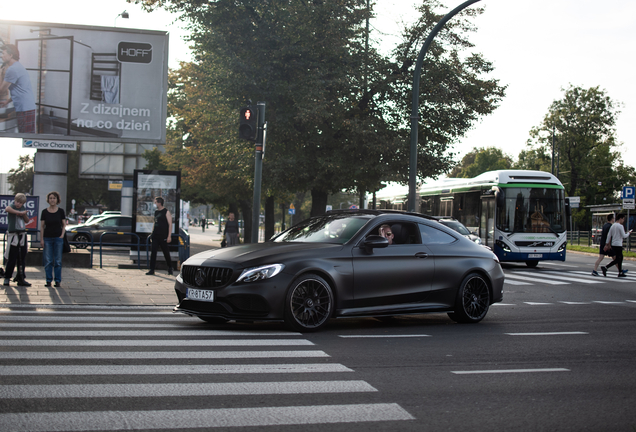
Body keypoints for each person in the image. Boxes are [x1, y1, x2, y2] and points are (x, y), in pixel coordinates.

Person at [0, 44, 37, 133]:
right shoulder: (18, 66)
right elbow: (20, 90)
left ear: (11, 55)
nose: (1, 56)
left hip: (24, 109)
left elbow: (1, 90)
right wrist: (7, 101)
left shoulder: (12, 69)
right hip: (28, 107)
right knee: (28, 135)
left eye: (3, 53)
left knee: (25, 136)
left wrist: (1, 73)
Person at [40, 191, 66, 287]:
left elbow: (64, 224)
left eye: (54, 198)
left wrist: (62, 235)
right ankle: (48, 280)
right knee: (48, 260)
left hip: (58, 238)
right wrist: (41, 239)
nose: (52, 200)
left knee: (58, 261)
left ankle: (58, 280)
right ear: (48, 200)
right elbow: (42, 226)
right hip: (47, 238)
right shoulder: (44, 212)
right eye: (50, 198)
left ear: (57, 200)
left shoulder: (60, 211)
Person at [4, 193, 31, 287]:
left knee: (22, 258)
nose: (18, 204)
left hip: (22, 234)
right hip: (13, 235)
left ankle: (21, 277)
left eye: (20, 203)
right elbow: (7, 209)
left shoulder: (23, 208)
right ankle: (7, 277)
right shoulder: (12, 206)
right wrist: (19, 212)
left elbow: (27, 220)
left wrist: (23, 214)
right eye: (17, 201)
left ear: (23, 203)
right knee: (12, 257)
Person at [146, 197, 173, 276]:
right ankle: (152, 269)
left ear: (159, 203)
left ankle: (170, 268)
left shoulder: (166, 212)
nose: (154, 204)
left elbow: (170, 224)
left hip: (163, 235)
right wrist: (152, 233)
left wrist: (169, 236)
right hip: (155, 235)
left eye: (155, 202)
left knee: (165, 252)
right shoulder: (156, 212)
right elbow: (155, 223)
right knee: (153, 252)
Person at [601, 213, 632, 278]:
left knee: (620, 258)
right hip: (618, 245)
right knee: (618, 259)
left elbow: (609, 235)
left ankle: (620, 272)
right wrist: (628, 233)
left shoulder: (613, 226)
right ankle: (606, 267)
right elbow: (624, 236)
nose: (623, 220)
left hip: (613, 244)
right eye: (623, 219)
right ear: (620, 218)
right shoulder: (620, 226)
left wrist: (606, 244)